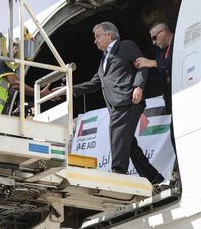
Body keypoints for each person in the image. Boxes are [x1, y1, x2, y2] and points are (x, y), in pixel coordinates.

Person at [70, 21, 164, 185]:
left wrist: (138, 87)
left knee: (118, 139)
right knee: (128, 145)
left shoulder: (126, 46)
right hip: (115, 107)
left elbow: (142, 65)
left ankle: (118, 175)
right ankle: (155, 178)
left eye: (97, 36)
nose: (95, 41)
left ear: (109, 35)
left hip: (128, 101)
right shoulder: (104, 59)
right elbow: (95, 83)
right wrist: (69, 90)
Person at [0, 42, 54, 114]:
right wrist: (39, 93)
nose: (18, 52)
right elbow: (15, 84)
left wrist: (39, 94)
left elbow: (18, 87)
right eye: (16, 49)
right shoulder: (4, 62)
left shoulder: (10, 68)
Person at [134, 22, 173, 114]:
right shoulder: (160, 52)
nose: (153, 42)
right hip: (169, 97)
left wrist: (153, 62)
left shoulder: (180, 41)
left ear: (163, 32)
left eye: (154, 38)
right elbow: (158, 70)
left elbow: (177, 61)